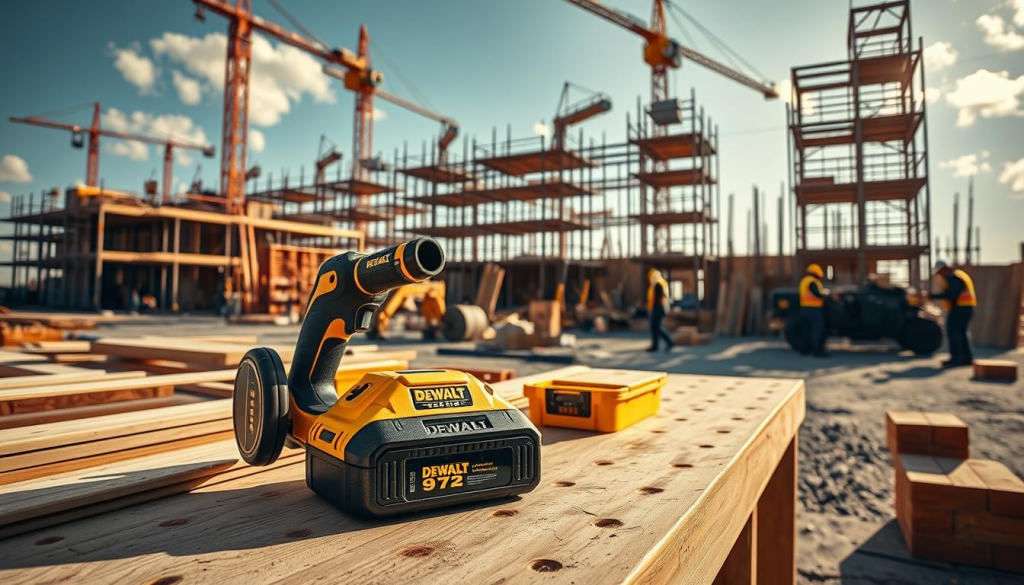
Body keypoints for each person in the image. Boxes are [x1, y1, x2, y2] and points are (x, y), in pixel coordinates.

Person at [930, 260, 976, 367]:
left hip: (961, 308)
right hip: (965, 307)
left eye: (940, 272)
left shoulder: (955, 277)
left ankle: (957, 358)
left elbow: (951, 294)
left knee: (954, 332)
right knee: (961, 333)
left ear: (945, 269)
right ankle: (966, 358)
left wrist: (933, 296)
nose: (940, 275)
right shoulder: (958, 275)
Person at [798, 263, 830, 357]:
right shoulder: (813, 281)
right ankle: (817, 351)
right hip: (814, 310)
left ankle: (804, 350)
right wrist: (825, 293)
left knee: (806, 330)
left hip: (804, 309)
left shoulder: (804, 280)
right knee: (817, 330)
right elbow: (817, 293)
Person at [646, 268, 674, 352]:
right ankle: (655, 346)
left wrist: (654, 310)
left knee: (656, 327)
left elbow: (657, 299)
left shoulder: (658, 285)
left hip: (658, 308)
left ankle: (669, 342)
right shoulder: (658, 284)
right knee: (655, 328)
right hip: (658, 308)